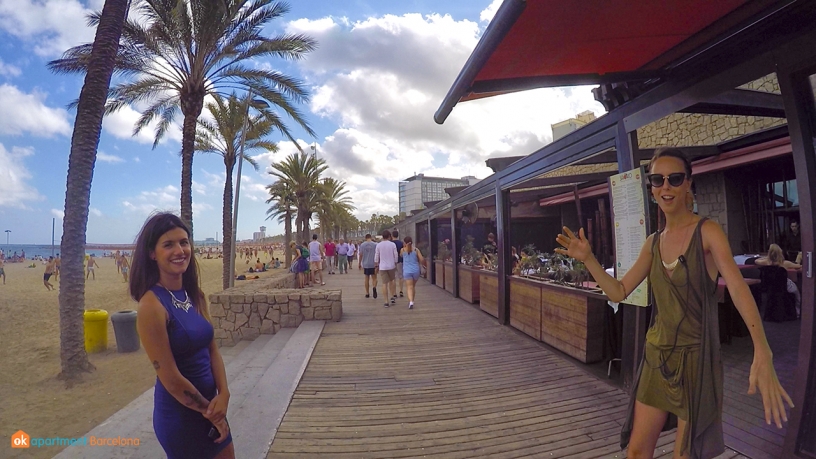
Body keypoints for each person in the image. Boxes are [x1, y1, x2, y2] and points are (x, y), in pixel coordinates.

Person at [555, 148, 792, 458]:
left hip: (695, 361)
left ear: (688, 184)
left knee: (685, 454)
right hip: (656, 357)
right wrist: (588, 259)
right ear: (652, 189)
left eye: (674, 179)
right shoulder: (653, 242)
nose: (665, 187)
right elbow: (619, 291)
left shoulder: (707, 232)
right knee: (637, 452)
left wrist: (762, 349)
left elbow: (736, 287)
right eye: (657, 180)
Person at [131, 213, 233, 459]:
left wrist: (225, 393)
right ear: (152, 253)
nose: (180, 250)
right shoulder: (151, 306)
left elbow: (212, 350)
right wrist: (211, 413)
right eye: (168, 244)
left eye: (184, 242)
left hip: (212, 407)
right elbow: (171, 379)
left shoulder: (194, 294)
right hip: (181, 417)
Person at [755, 243, 802, 318]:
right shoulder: (785, 263)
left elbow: (756, 261)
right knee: (797, 295)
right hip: (784, 286)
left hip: (771, 287)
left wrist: (767, 257)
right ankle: (797, 312)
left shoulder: (766, 262)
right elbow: (799, 266)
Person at [374, 229, 399, 308]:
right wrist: (395, 263)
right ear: (389, 236)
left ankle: (386, 301)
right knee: (392, 280)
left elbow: (376, 256)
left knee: (384, 283)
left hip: (382, 266)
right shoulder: (392, 245)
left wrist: (376, 265)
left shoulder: (379, 245)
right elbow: (396, 255)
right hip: (391, 265)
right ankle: (392, 296)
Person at [401, 236, 425, 309]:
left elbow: (401, 256)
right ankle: (412, 301)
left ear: (404, 242)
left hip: (407, 271)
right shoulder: (416, 250)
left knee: (409, 287)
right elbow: (422, 259)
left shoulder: (402, 250)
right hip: (415, 270)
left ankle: (411, 301)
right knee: (413, 286)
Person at [358, 234, 378, 298]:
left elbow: (361, 254)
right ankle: (374, 287)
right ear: (371, 237)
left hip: (366, 263)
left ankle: (367, 293)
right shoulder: (375, 244)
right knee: (374, 278)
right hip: (373, 263)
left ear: (365, 238)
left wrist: (359, 263)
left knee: (367, 278)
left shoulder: (362, 245)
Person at [392, 231, 404, 298]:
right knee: (400, 276)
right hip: (400, 261)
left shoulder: (391, 243)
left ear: (392, 235)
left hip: (392, 261)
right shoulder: (401, 243)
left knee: (393, 277)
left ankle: (394, 293)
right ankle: (401, 290)